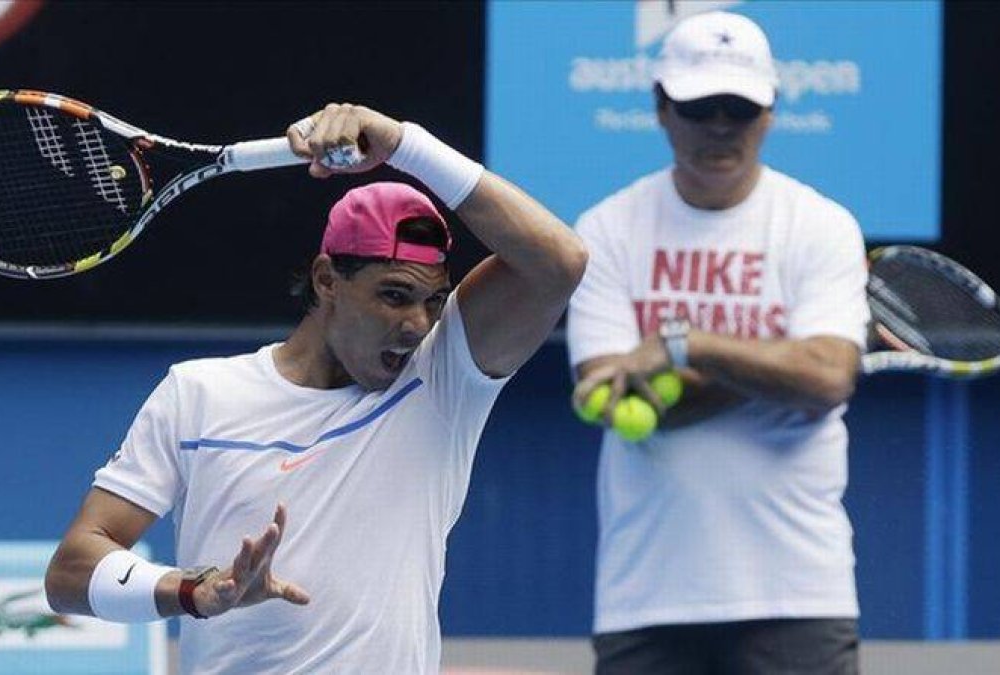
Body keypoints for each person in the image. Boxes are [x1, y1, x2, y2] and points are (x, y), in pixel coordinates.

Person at [45, 102, 587, 674]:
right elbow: (71, 572)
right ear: (327, 279)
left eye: (433, 301)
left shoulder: (443, 377)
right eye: (394, 296)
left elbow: (560, 260)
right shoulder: (198, 393)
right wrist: (196, 590)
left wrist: (404, 146)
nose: (418, 325)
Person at [567, 11, 869, 675]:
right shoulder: (607, 230)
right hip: (645, 596)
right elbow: (618, 399)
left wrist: (684, 346)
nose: (720, 126)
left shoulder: (822, 227)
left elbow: (826, 381)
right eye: (701, 107)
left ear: (770, 111)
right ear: (661, 107)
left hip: (799, 594)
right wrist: (778, 361)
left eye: (739, 105)